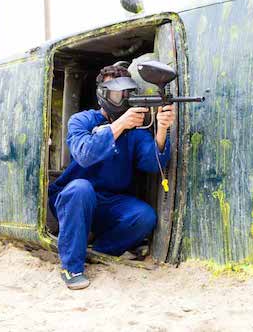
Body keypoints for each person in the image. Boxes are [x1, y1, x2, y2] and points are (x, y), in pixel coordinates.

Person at [48, 64, 175, 290]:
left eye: (127, 93)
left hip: (109, 203)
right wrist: (119, 125)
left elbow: (152, 163)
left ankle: (98, 251)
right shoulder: (81, 121)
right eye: (117, 93)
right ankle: (72, 267)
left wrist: (162, 129)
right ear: (103, 95)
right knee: (81, 189)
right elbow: (84, 154)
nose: (122, 98)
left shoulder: (135, 130)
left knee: (144, 216)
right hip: (72, 200)